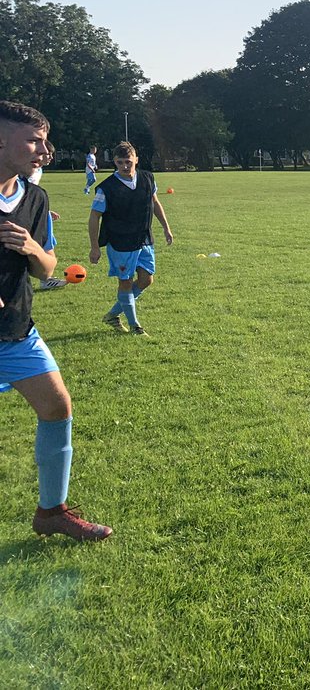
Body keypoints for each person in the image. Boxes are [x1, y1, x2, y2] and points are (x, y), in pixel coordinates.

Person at [0, 100, 112, 541]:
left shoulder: (34, 197)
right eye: (33, 140)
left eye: (44, 140)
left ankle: (52, 512)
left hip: (16, 333)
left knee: (57, 407)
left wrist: (30, 248)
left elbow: (48, 269)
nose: (44, 150)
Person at [88, 141, 174, 336]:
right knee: (125, 281)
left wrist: (166, 228)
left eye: (128, 161)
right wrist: (95, 247)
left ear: (136, 159)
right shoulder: (106, 188)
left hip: (144, 238)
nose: (125, 166)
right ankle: (135, 326)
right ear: (115, 163)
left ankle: (112, 314)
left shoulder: (147, 178)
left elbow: (155, 203)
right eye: (119, 162)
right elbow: (94, 217)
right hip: (120, 242)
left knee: (146, 280)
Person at [25, 142, 66, 290]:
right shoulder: (27, 171)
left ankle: (46, 279)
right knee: (43, 244)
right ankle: (45, 279)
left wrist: (46, 210)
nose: (50, 157)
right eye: (48, 154)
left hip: (37, 212)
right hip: (29, 214)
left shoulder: (39, 170)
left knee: (48, 244)